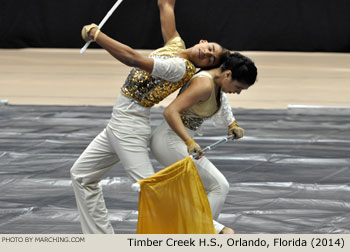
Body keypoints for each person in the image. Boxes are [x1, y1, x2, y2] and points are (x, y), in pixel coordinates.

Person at [70, 0, 230, 234]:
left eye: (209, 59)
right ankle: (101, 242)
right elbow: (166, 5)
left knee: (151, 187)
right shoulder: (175, 43)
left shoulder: (179, 67)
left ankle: (216, 230)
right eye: (210, 49)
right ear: (203, 42)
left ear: (204, 65)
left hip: (129, 127)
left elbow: (132, 58)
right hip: (119, 122)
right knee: (82, 176)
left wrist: (97, 35)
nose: (206, 53)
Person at [150, 52, 258, 234]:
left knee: (201, 192)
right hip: (168, 141)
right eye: (238, 88)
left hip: (176, 141)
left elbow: (222, 101)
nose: (237, 93)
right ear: (228, 74)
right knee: (219, 186)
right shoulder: (204, 84)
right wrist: (188, 141)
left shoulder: (216, 80)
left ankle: (200, 232)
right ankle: (211, 233)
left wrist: (231, 123)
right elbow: (170, 112)